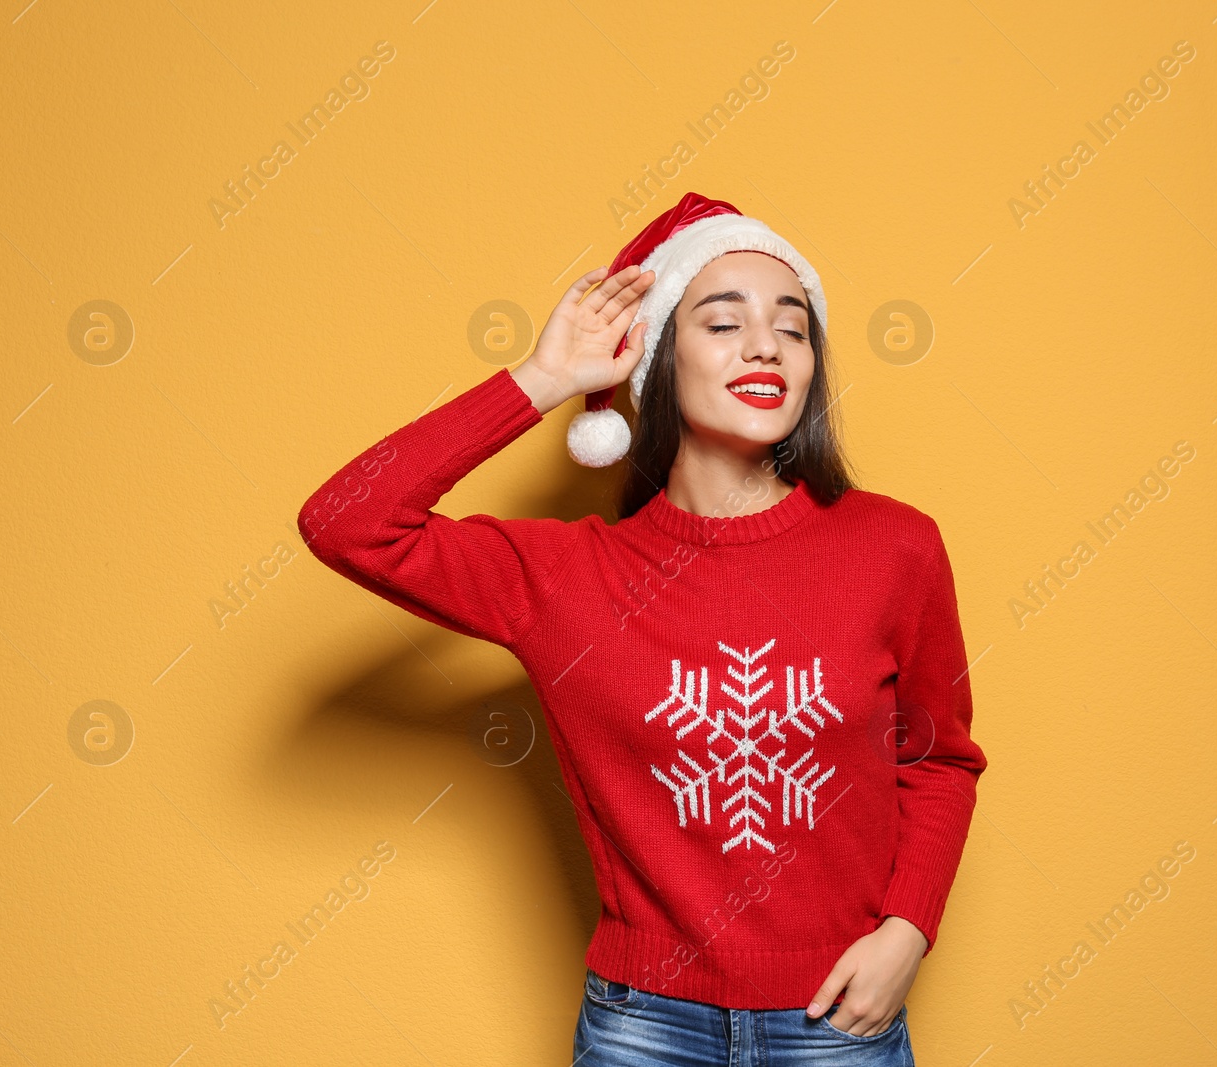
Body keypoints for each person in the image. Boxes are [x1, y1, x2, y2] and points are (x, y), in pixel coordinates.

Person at [298, 192, 987, 1065]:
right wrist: (544, 381)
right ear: (658, 356)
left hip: (837, 1024)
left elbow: (937, 758)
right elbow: (346, 521)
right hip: (643, 1030)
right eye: (722, 321)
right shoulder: (563, 579)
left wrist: (908, 931)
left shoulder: (895, 546)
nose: (766, 344)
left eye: (793, 324)